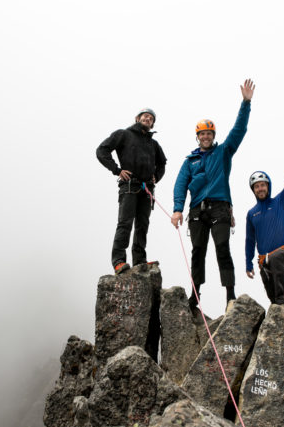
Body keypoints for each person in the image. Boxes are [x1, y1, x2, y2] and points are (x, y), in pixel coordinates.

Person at [171, 79, 255, 309]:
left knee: (222, 248)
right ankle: (195, 295)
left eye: (209, 133)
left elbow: (239, 130)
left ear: (213, 135)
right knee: (198, 251)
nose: (206, 137)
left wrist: (245, 103)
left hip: (219, 207)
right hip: (197, 209)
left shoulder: (223, 152)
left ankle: (230, 295)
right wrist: (178, 209)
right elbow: (180, 185)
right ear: (197, 137)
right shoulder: (190, 161)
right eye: (202, 134)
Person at [96, 108, 167, 274]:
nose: (148, 119)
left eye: (151, 119)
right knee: (125, 223)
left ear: (152, 124)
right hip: (129, 186)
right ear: (137, 118)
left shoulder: (153, 144)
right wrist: (116, 169)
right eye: (145, 117)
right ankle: (119, 261)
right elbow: (102, 150)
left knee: (142, 225)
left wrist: (157, 176)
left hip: (147, 188)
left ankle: (139, 261)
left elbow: (162, 163)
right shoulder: (123, 134)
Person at [245, 141, 284, 305]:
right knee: (274, 301)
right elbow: (250, 240)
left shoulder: (280, 201)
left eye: (263, 185)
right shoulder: (252, 214)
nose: (260, 189)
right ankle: (281, 313)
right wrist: (248, 263)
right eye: (257, 186)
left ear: (268, 186)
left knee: (276, 260)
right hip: (264, 262)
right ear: (254, 190)